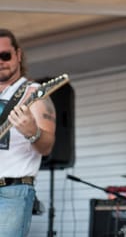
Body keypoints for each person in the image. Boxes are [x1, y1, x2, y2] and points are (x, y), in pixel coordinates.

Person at [0, 28, 56, 237]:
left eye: (5, 55)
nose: (0, 61)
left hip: (11, 192)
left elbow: (47, 146)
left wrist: (32, 132)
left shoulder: (34, 94)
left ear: (18, 55)